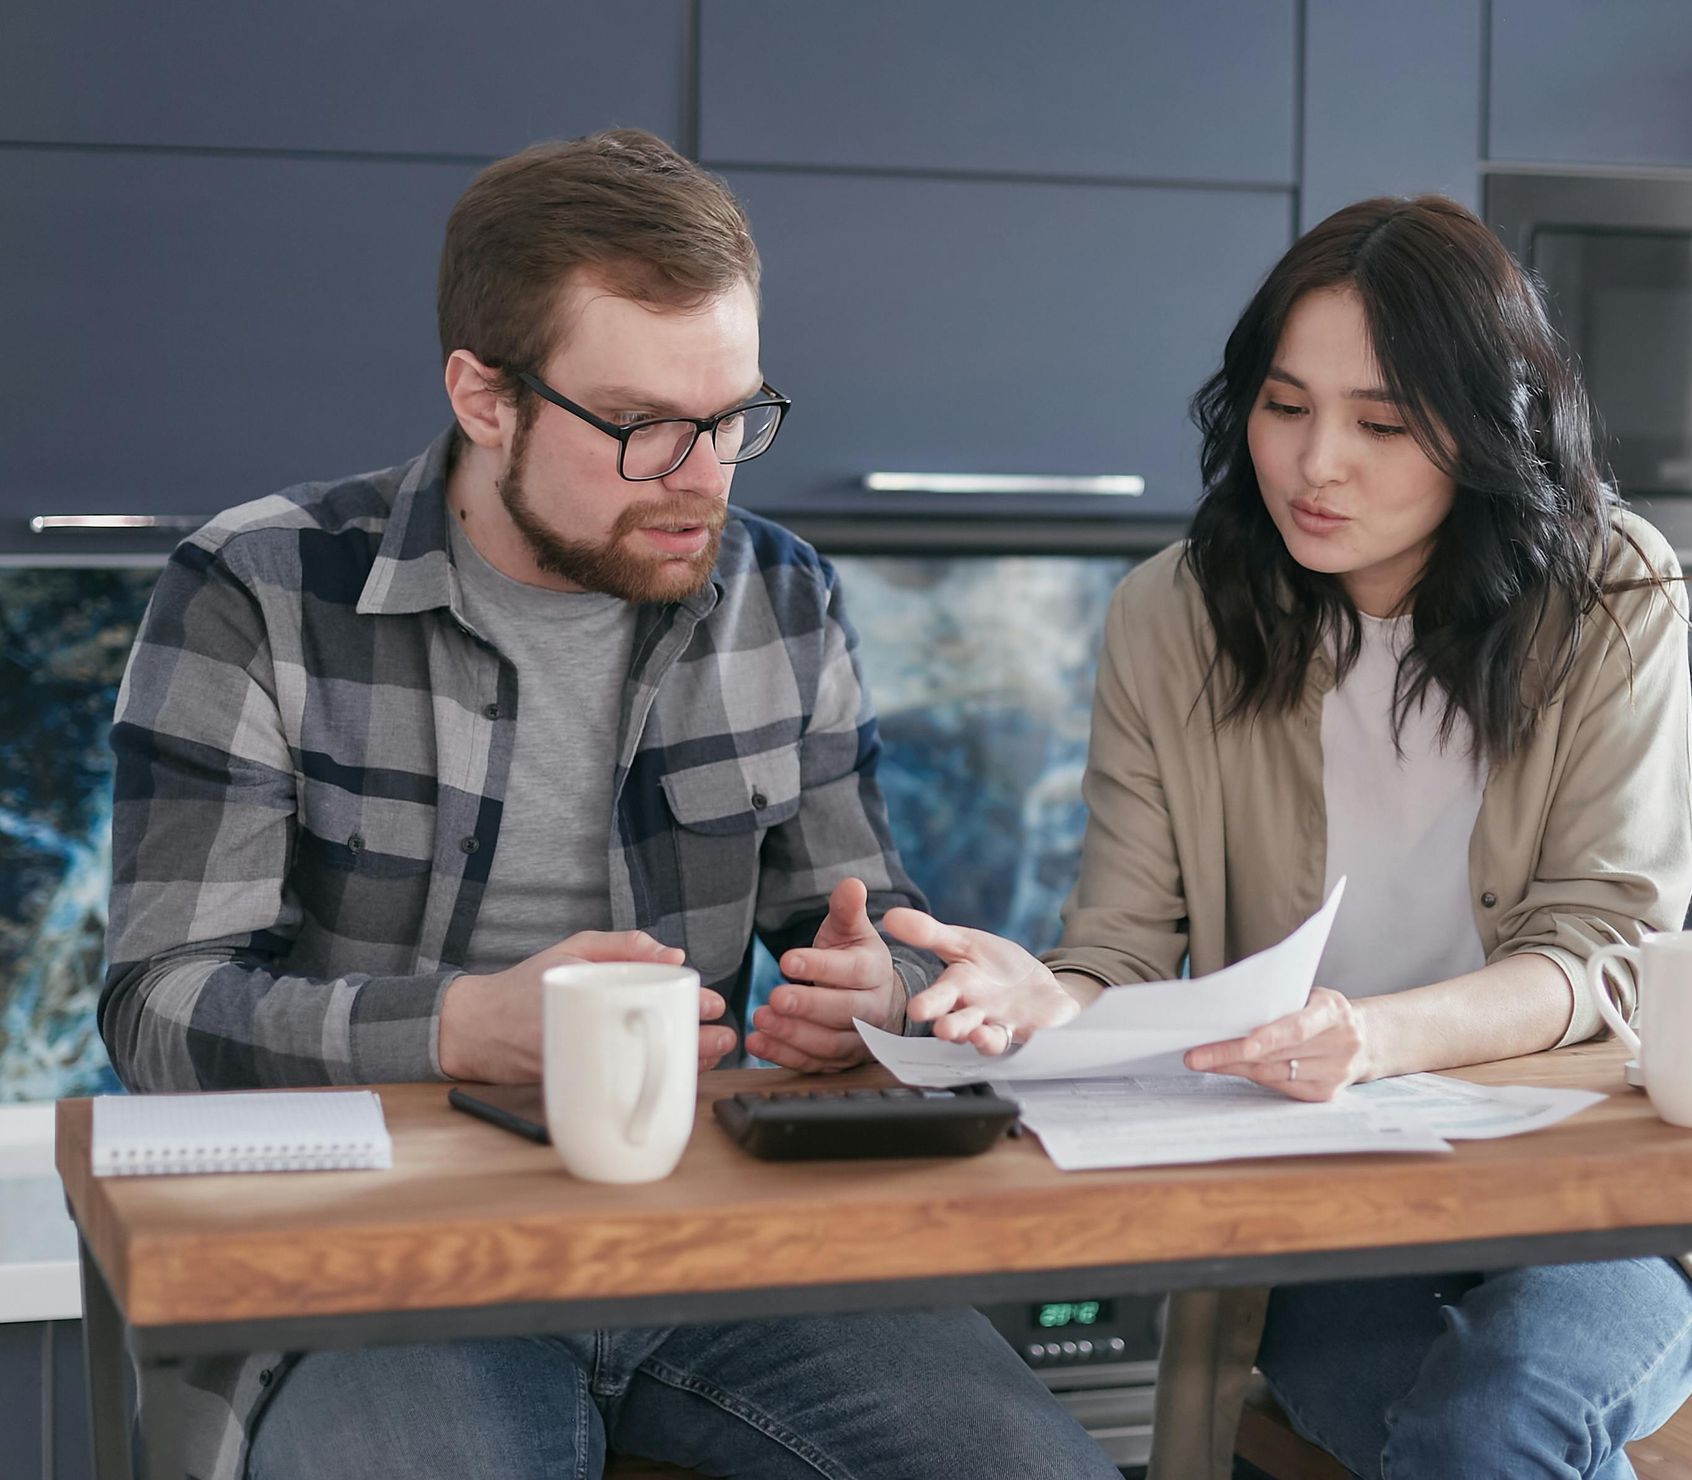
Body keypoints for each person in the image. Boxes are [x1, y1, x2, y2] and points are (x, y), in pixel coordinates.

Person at [103, 129, 1121, 1480]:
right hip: (386, 1266)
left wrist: (876, 995)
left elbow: (868, 920)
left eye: (734, 419)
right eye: (643, 427)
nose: (703, 476)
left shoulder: (784, 595)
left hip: (725, 1247)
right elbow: (157, 1009)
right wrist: (464, 1027)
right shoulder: (256, 593)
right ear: (485, 397)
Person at [886, 196, 1692, 1479]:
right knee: (1462, 1442)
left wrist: (1377, 1034)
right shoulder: (1171, 617)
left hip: (1590, 1177)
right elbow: (1121, 953)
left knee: (1501, 1414)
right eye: (1285, 406)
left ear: (1486, 431)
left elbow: (1609, 942)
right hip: (1331, 1192)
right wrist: (1050, 995)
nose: (1315, 465)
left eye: (1382, 424)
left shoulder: (1610, 591)